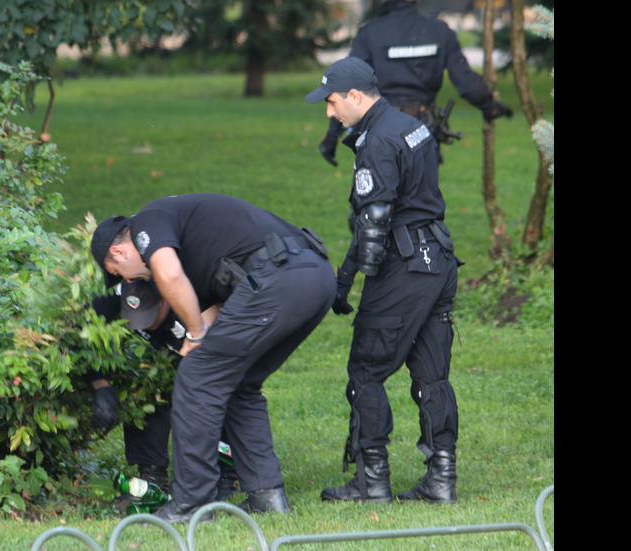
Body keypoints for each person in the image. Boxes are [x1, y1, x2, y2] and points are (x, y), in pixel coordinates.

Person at [91, 193, 335, 522]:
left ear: (117, 252)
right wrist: (199, 334)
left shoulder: (147, 222)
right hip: (313, 275)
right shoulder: (195, 243)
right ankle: (267, 496)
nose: (129, 281)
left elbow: (170, 276)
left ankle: (191, 503)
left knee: (196, 379)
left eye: (118, 271)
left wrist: (196, 333)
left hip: (277, 276)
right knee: (240, 384)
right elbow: (223, 304)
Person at [305, 57, 461, 504]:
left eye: (332, 102)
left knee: (366, 371)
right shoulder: (410, 125)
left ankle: (371, 481)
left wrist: (359, 281)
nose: (330, 114)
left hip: (405, 266)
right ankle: (441, 481)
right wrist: (342, 279)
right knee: (432, 376)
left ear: (355, 95)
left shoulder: (375, 142)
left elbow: (373, 219)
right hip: (439, 260)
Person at [87, 280, 239, 512]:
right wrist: (99, 383)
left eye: (150, 316)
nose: (144, 326)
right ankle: (152, 476)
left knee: (213, 398)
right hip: (161, 359)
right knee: (145, 388)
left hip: (208, 349)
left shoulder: (192, 297)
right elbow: (79, 335)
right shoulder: (112, 298)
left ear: (165, 300)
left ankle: (227, 472)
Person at [317, 0, 513, 167]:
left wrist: (332, 135)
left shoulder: (371, 32)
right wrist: (490, 106)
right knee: (420, 203)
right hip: (422, 130)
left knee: (372, 199)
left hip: (380, 130)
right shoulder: (439, 31)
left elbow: (347, 84)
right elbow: (465, 80)